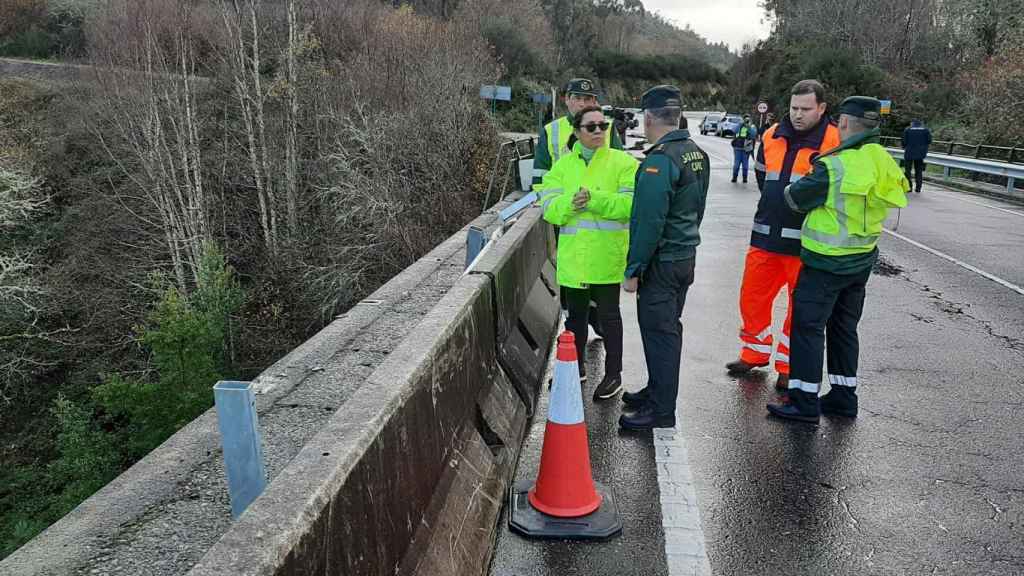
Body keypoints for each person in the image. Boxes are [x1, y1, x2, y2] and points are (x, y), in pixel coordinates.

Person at [766, 96, 909, 423]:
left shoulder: (834, 166)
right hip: (861, 262)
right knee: (844, 329)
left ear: (843, 123)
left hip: (825, 263)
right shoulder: (882, 158)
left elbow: (795, 198)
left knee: (808, 329)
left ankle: (803, 401)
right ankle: (844, 398)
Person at [725, 80, 841, 390]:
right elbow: (763, 177)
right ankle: (754, 352)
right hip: (765, 236)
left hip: (805, 243)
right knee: (752, 299)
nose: (798, 114)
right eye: (794, 108)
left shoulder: (834, 140)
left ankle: (789, 366)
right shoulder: (771, 135)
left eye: (806, 109)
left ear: (821, 108)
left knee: (798, 309)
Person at [618, 85, 710, 430]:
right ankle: (656, 390)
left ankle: (661, 410)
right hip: (684, 256)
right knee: (667, 329)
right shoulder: (695, 153)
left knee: (660, 333)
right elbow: (697, 208)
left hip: (663, 261)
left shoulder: (660, 161)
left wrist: (634, 269)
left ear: (648, 118)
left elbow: (648, 222)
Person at [538, 106, 638, 398]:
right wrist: (572, 203)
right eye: (591, 127)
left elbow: (629, 205)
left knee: (610, 318)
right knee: (575, 319)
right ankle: (575, 368)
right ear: (577, 131)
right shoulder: (562, 167)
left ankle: (613, 375)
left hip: (606, 257)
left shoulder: (623, 163)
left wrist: (593, 200)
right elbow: (549, 209)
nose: (598, 131)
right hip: (575, 259)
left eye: (602, 126)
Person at [532, 78, 623, 188]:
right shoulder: (550, 130)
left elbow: (621, 167)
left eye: (587, 99)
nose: (582, 104)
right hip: (563, 196)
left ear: (594, 102)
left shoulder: (608, 127)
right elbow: (540, 176)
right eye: (577, 98)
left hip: (602, 195)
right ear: (567, 99)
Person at [902, 119, 932, 193]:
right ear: (920, 124)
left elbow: (904, 142)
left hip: (909, 153)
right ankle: (918, 188)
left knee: (908, 171)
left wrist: (905, 147)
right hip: (920, 154)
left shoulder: (907, 130)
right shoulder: (926, 130)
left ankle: (909, 187)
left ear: (912, 123)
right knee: (919, 171)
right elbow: (929, 141)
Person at [731, 115, 758, 183]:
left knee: (745, 165)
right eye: (745, 119)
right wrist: (740, 124)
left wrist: (748, 127)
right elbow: (734, 130)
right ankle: (734, 177)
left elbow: (753, 134)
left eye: (748, 119)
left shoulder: (751, 126)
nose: (746, 121)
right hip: (737, 147)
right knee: (736, 164)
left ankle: (745, 178)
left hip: (746, 148)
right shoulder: (739, 125)